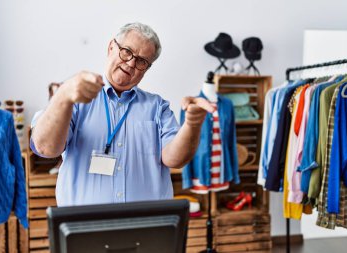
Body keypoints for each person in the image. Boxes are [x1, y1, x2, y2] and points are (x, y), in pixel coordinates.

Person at [31, 22, 215, 206]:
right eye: (127, 51)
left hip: (146, 226)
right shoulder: (75, 96)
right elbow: (46, 148)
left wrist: (192, 124)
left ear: (147, 68)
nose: (131, 63)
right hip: (85, 227)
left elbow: (175, 160)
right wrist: (63, 96)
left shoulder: (157, 106)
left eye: (142, 61)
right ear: (111, 47)